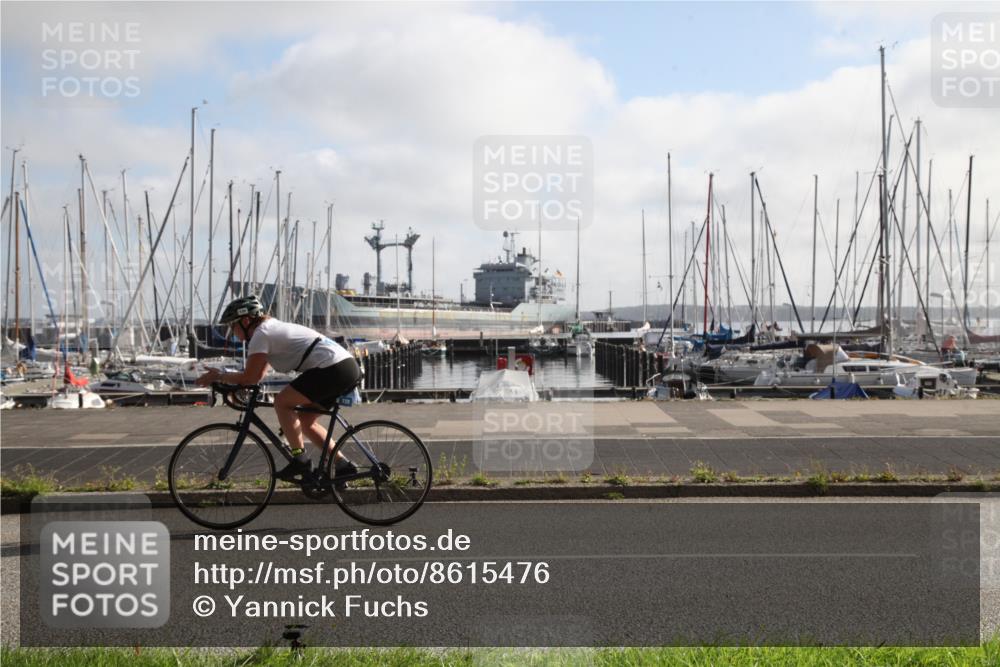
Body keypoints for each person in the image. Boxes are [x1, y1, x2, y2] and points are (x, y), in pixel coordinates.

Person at [196, 295, 362, 482]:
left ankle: (301, 459)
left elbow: (251, 377)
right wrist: (234, 385)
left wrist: (219, 376)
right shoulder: (269, 330)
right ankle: (343, 466)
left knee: (282, 402)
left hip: (332, 367)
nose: (231, 332)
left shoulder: (261, 334)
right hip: (343, 366)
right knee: (306, 421)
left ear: (246, 320)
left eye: (232, 326)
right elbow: (257, 375)